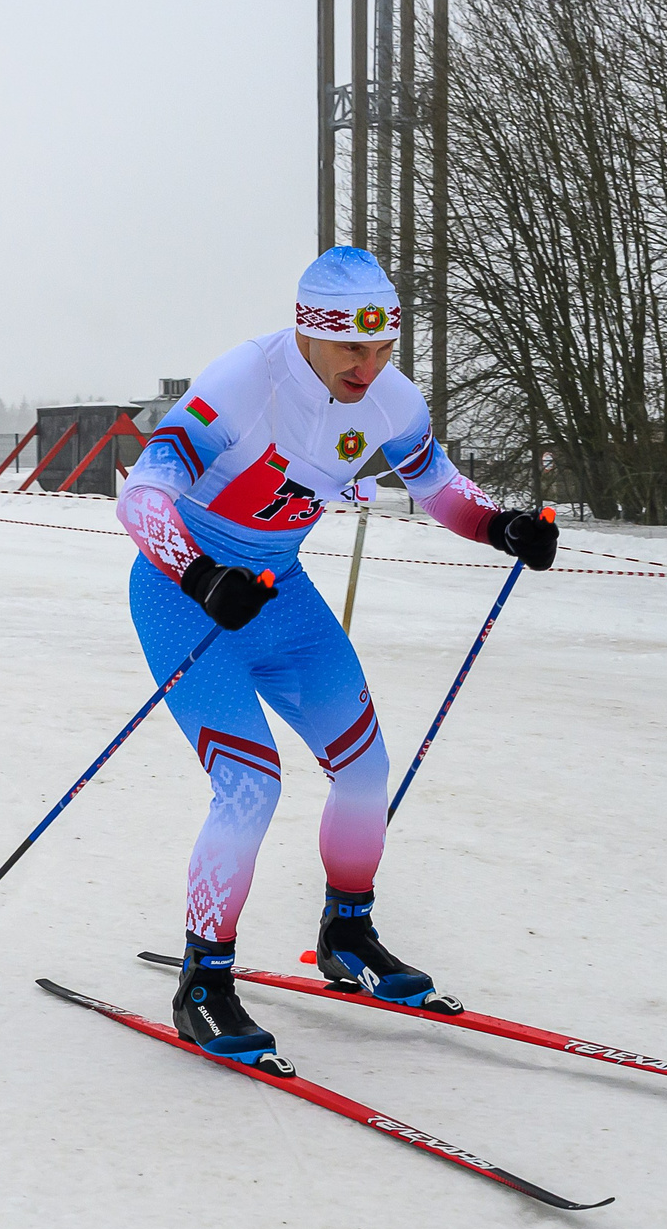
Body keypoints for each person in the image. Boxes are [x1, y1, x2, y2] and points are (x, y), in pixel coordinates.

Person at [115, 247, 557, 1072]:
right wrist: (200, 571)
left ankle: (346, 932)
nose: (371, 366)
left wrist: (503, 526)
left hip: (277, 594)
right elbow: (139, 494)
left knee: (364, 766)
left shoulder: (389, 400)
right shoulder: (246, 380)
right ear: (310, 332)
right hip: (186, 595)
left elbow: (439, 487)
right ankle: (202, 982)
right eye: (353, 348)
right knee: (250, 783)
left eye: (385, 346)